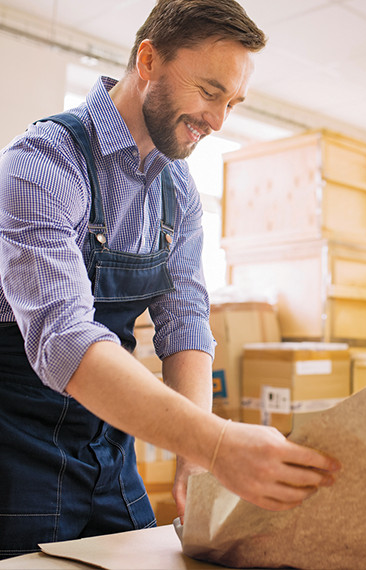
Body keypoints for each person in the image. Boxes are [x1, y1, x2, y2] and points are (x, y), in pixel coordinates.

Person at [0, 0, 340, 560]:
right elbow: (64, 340)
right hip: (19, 451)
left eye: (232, 102)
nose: (219, 120)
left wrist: (195, 456)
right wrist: (218, 442)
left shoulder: (177, 191)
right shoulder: (44, 163)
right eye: (209, 92)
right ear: (150, 60)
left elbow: (185, 321)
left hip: (110, 448)